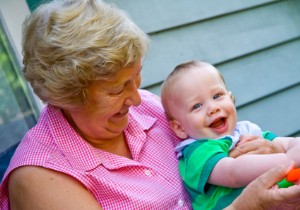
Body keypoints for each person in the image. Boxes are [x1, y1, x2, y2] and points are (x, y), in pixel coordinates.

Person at [0, 0, 300, 209]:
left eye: (136, 78)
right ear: (65, 96)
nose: (135, 98)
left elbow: (224, 152)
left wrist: (267, 148)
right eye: (117, 89)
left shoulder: (145, 106)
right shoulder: (40, 179)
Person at [160, 60, 300, 209]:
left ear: (231, 99)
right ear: (180, 127)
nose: (213, 108)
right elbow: (234, 172)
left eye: (217, 96)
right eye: (197, 106)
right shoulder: (196, 152)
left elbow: (284, 143)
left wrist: (293, 146)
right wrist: (288, 159)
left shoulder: (245, 130)